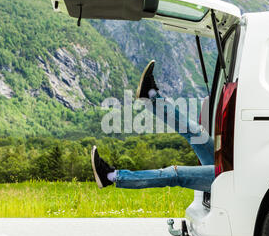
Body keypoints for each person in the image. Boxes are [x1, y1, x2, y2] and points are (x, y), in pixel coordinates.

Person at [91, 61, 216, 192]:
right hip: (229, 165)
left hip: (232, 178)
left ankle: (111, 176)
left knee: (176, 173)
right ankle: (151, 96)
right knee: (196, 133)